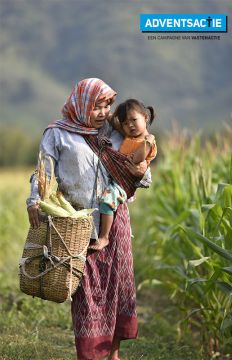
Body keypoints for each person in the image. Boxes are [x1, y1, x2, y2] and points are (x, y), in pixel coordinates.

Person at [26, 78, 151, 360]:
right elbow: (43, 170)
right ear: (81, 104)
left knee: (117, 287)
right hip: (78, 226)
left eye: (107, 106)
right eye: (97, 106)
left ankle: (115, 354)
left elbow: (144, 176)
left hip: (115, 222)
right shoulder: (58, 134)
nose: (104, 112)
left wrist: (140, 169)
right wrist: (34, 199)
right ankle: (90, 354)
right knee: (87, 293)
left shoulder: (115, 133)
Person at [90, 99, 157, 251]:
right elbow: (114, 122)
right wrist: (105, 113)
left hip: (122, 183)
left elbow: (137, 159)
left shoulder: (148, 141)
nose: (130, 125)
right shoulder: (129, 135)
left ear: (145, 118)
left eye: (134, 120)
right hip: (113, 179)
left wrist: (147, 141)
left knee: (107, 201)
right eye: (126, 123)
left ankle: (104, 237)